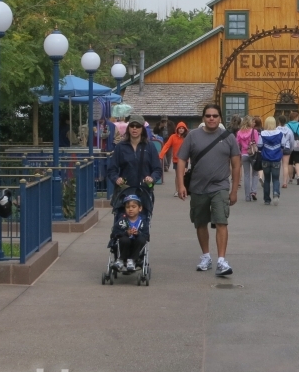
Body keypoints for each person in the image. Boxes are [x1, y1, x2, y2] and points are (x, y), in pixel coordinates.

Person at [175, 104, 241, 277]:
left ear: (220, 118)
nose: (211, 118)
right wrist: (180, 184)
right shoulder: (193, 136)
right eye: (208, 115)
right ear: (203, 118)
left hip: (220, 186)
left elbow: (236, 164)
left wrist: (234, 189)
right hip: (198, 187)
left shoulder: (228, 137)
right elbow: (181, 160)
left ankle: (221, 260)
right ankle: (206, 256)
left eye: (215, 115)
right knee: (200, 222)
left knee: (221, 221)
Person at [107, 114, 161, 205]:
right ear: (128, 128)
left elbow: (158, 169)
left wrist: (152, 178)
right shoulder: (120, 146)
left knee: (142, 219)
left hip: (144, 192)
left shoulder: (150, 146)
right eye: (132, 126)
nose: (134, 128)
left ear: (142, 129)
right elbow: (112, 169)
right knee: (123, 218)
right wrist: (116, 179)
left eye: (138, 126)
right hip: (125, 191)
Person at [109, 193, 149, 273]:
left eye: (133, 207)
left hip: (136, 245)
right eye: (128, 207)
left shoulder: (142, 222)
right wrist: (126, 233)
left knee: (141, 239)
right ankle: (120, 260)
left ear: (140, 208)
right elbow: (114, 233)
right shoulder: (122, 221)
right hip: (124, 244)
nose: (130, 209)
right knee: (124, 239)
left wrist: (138, 233)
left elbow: (146, 236)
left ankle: (132, 260)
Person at [259, 117, 284, 206]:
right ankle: (276, 193)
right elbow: (283, 145)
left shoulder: (262, 134)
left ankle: (267, 199)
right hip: (276, 159)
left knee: (267, 179)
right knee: (276, 179)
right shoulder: (280, 134)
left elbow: (259, 145)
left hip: (265, 159)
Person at [236, 116, 261, 202]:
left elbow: (237, 144)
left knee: (246, 175)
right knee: (255, 173)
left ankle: (247, 196)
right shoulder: (254, 131)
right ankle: (253, 192)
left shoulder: (239, 132)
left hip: (244, 154)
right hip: (253, 154)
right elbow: (258, 143)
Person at [287, 111, 299, 185]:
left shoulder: (287, 126)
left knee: (290, 163)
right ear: (295, 117)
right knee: (298, 162)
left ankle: (291, 179)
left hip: (289, 146)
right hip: (298, 146)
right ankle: (298, 176)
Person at [276, 115, 294, 191]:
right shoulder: (289, 130)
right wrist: (291, 149)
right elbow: (292, 141)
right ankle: (285, 182)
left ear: (279, 121)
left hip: (278, 148)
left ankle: (276, 181)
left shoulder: (276, 130)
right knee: (285, 165)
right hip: (287, 148)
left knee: (277, 165)